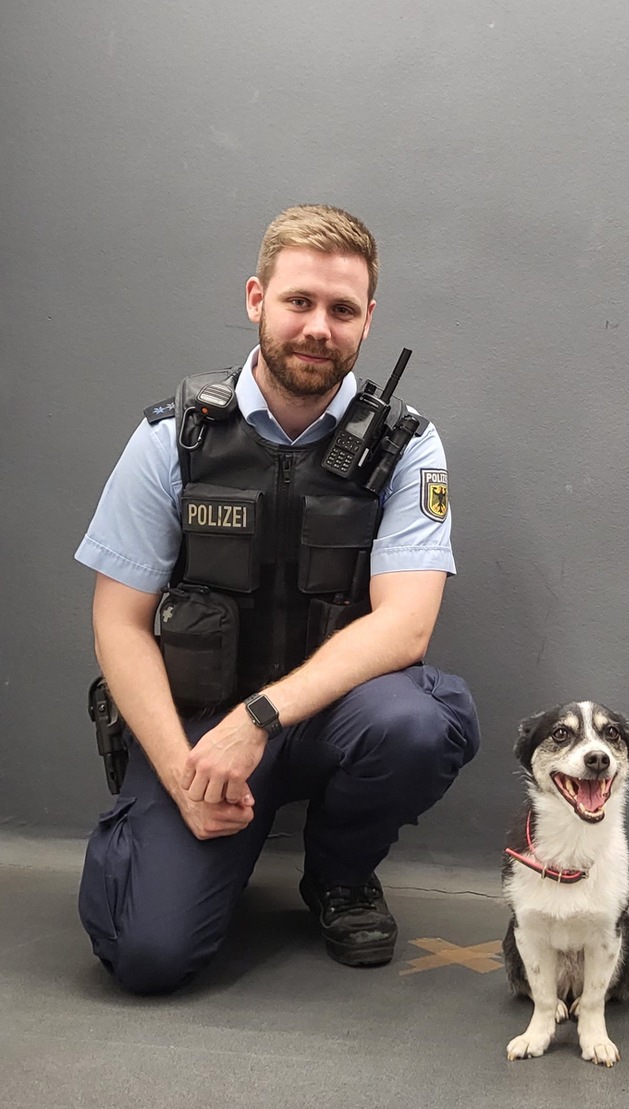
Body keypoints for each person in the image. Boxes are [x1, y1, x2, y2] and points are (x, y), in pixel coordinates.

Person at [76, 204, 480, 994]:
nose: (318, 327)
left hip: (330, 721)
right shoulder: (175, 436)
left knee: (419, 720)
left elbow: (406, 625)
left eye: (342, 308)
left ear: (369, 319)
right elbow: (117, 622)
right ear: (257, 298)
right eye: (299, 301)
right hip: (197, 727)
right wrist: (181, 767)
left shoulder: (406, 445)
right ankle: (175, 837)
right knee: (145, 957)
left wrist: (259, 720)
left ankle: (339, 875)